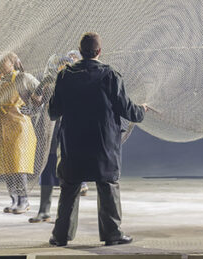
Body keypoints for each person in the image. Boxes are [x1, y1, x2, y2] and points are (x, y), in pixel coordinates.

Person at [48, 32, 147, 247]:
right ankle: (112, 234)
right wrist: (142, 111)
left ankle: (60, 236)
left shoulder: (64, 76)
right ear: (99, 51)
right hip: (103, 144)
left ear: (80, 51)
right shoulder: (110, 75)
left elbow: (53, 112)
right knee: (108, 185)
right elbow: (127, 109)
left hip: (72, 144)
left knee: (69, 187)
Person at [30, 50, 81, 223]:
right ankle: (44, 210)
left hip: (70, 132)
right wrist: (40, 88)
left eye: (65, 65)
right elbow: (36, 103)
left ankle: (66, 215)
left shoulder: (77, 83)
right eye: (60, 66)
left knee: (68, 173)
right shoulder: (50, 84)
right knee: (47, 168)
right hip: (51, 132)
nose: (62, 68)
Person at [0, 51, 40, 214]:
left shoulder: (23, 78)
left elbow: (43, 94)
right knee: (6, 165)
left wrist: (32, 108)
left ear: (13, 62)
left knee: (18, 164)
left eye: (3, 61)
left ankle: (24, 200)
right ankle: (14, 199)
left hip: (19, 126)